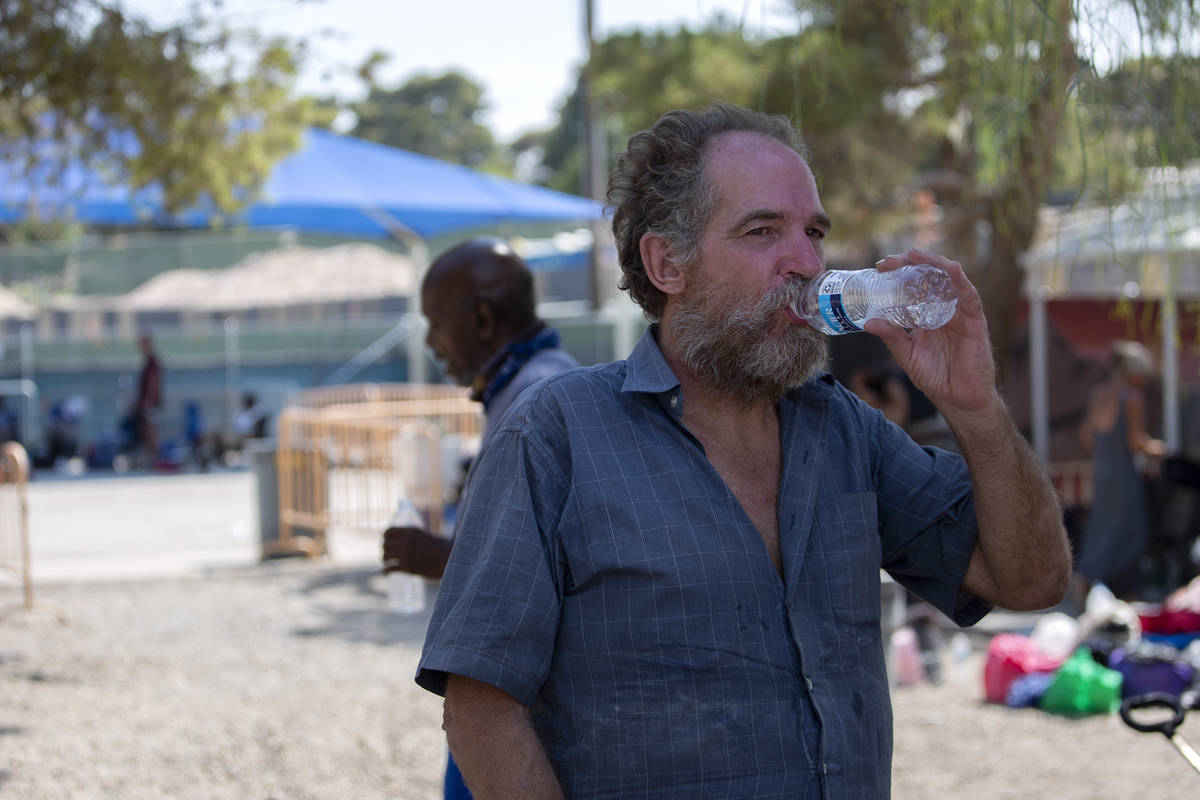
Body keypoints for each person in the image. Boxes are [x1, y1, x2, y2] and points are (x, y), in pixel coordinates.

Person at [416, 103, 1071, 798]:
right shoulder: (556, 433)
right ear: (668, 262)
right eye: (763, 231)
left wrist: (977, 408)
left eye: (814, 233)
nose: (806, 263)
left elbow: (1030, 582)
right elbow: (481, 707)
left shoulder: (846, 432)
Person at [383, 237, 578, 800]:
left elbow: (545, 567)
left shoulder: (536, 395)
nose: (430, 342)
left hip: (523, 697)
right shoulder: (526, 384)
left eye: (436, 322)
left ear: (483, 318)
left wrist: (434, 555)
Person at [1072, 340, 1166, 608]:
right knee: (1132, 531)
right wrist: (1161, 450)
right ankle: (1114, 588)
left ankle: (1091, 581)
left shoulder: (1098, 394)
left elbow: (1086, 437)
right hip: (1123, 474)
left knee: (1102, 528)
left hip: (1102, 471)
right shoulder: (1132, 397)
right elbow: (1137, 443)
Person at [131, 333, 162, 466]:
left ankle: (155, 457)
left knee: (151, 430)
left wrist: (147, 402)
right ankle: (152, 456)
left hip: (150, 403)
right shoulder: (149, 361)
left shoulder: (151, 362)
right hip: (148, 402)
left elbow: (152, 383)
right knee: (147, 429)